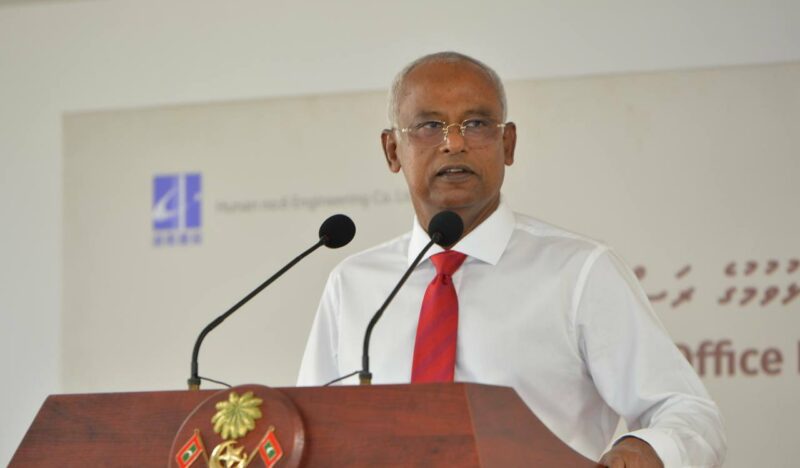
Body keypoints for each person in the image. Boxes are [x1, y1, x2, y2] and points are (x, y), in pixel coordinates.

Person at [298, 52, 726, 467]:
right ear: (392, 150)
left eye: (477, 124)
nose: (454, 143)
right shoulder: (353, 284)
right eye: (430, 126)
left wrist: (645, 450)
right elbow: (306, 433)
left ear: (508, 143)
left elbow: (687, 412)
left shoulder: (578, 271)